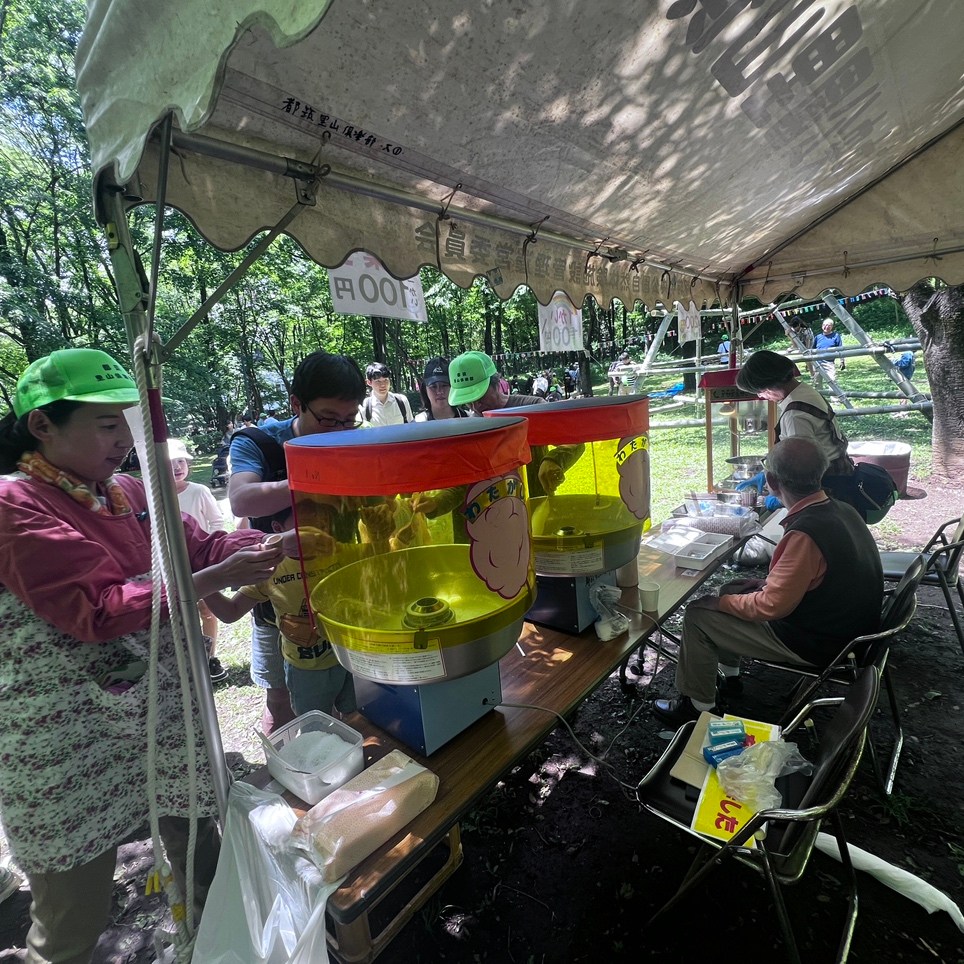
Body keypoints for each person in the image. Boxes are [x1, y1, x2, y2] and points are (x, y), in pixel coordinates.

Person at [0, 348, 289, 962]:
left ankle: (212, 943)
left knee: (197, 839)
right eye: (107, 424)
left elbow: (200, 545)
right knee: (73, 908)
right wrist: (213, 579)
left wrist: (270, 543)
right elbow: (96, 609)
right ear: (42, 425)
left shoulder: (129, 491)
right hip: (68, 736)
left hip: (161, 707)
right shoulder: (13, 504)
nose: (124, 441)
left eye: (128, 424)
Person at [652, 437, 883, 725]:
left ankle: (696, 708)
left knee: (699, 614)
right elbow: (820, 577)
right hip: (848, 627)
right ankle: (730, 678)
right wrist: (759, 587)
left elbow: (771, 607)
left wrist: (720, 603)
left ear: (771, 481)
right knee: (731, 590)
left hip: (819, 643)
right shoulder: (842, 510)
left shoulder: (805, 533)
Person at [228, 350, 367, 733]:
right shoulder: (259, 443)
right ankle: (292, 759)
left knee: (353, 696)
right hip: (277, 598)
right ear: (296, 403)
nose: (338, 429)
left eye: (349, 419)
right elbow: (241, 499)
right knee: (281, 697)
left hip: (341, 597)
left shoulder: (353, 440)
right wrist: (317, 478)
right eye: (328, 418)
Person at [204, 504, 355, 718]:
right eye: (304, 528)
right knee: (317, 724)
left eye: (322, 525)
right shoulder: (270, 569)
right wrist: (201, 582)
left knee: (357, 716)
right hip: (307, 670)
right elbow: (231, 612)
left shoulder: (339, 552)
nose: (314, 535)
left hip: (350, 658)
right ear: (278, 529)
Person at [735, 349, 859, 509]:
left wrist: (781, 497)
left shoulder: (795, 415)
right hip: (839, 473)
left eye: (760, 392)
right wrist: (766, 474)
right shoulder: (804, 391)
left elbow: (801, 466)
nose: (761, 397)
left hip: (826, 483)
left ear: (770, 386)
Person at [169, 438, 228, 682]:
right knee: (180, 613)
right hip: (171, 564)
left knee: (207, 609)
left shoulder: (198, 491)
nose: (177, 467)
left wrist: (209, 552)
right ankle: (187, 659)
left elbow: (216, 522)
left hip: (200, 561)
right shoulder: (154, 495)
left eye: (181, 461)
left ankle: (210, 657)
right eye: (170, 463)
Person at [415, 356, 468, 421]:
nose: (439, 391)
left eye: (444, 385)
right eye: (433, 387)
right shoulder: (419, 423)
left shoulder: (469, 418)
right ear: (425, 390)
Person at [813, 317, 843, 386]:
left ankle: (834, 393)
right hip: (818, 362)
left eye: (828, 325)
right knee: (817, 382)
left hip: (829, 363)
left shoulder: (836, 336)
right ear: (822, 326)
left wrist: (842, 361)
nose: (826, 327)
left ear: (832, 326)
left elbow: (840, 349)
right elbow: (812, 350)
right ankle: (819, 393)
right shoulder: (818, 337)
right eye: (824, 325)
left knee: (832, 381)